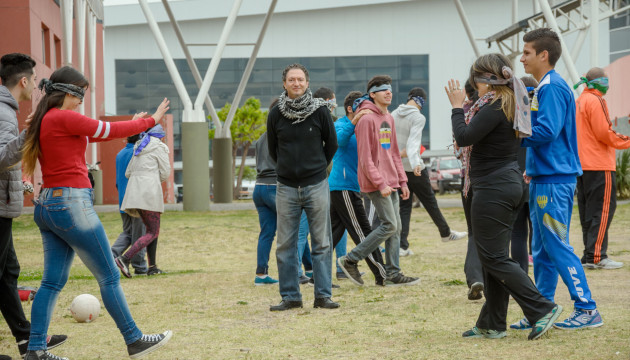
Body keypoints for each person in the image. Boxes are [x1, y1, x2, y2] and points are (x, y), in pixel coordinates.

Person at [21, 66, 172, 359]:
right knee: (109, 276)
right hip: (71, 203)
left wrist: (134, 123)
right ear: (69, 93)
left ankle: (36, 351)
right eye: (81, 95)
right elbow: (107, 131)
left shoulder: (44, 119)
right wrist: (150, 121)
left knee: (51, 282)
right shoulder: (64, 117)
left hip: (49, 205)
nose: (82, 102)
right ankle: (134, 340)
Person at [447, 53, 562, 341]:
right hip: (505, 183)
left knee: (495, 257)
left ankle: (542, 309)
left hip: (494, 187)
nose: (472, 84)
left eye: (475, 78)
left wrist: (455, 107)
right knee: (492, 257)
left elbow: (464, 136)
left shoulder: (495, 105)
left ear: (486, 80)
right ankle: (492, 322)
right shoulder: (506, 103)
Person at [516, 27, 601, 331]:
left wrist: (513, 134)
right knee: (542, 249)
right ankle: (543, 308)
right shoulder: (545, 86)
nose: (521, 58)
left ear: (543, 55)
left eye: (526, 53)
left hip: (554, 180)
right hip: (544, 178)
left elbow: (546, 132)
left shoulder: (551, 87)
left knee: (557, 245)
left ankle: (587, 308)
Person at [0, 53, 68, 360]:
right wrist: (32, 133)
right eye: (34, 80)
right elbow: (2, 157)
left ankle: (27, 340)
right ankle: (28, 340)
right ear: (24, 80)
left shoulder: (6, 109)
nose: (35, 89)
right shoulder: (3, 112)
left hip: (4, 203)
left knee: (8, 272)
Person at [267, 63, 339, 311]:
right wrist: (290, 170)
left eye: (300, 79)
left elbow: (331, 145)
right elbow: (273, 150)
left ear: (307, 83)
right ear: (284, 84)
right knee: (285, 245)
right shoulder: (276, 113)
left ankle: (323, 296)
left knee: (321, 243)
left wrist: (316, 167)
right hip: (286, 187)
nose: (296, 83)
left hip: (316, 184)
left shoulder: (320, 112)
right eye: (291, 80)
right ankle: (290, 297)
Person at [337, 75, 419, 287]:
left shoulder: (388, 118)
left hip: (392, 181)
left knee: (397, 227)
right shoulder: (365, 119)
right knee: (389, 225)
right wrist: (380, 183)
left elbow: (392, 153)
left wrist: (402, 181)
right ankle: (350, 259)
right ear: (372, 94)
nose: (388, 92)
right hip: (376, 183)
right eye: (383, 89)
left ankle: (393, 274)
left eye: (390, 89)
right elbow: (365, 159)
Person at [392, 87, 467, 257]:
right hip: (414, 168)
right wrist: (416, 161)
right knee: (430, 202)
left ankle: (402, 246)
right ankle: (446, 233)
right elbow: (413, 144)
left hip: (398, 169)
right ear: (422, 101)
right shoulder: (418, 117)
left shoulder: (394, 114)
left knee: (404, 206)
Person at [328, 90, 387, 286]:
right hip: (343, 186)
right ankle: (382, 275)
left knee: (331, 235)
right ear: (350, 108)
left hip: (352, 186)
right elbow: (338, 142)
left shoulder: (364, 126)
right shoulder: (341, 124)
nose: (365, 108)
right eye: (361, 105)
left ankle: (315, 275)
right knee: (364, 231)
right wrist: (353, 123)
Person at [575, 67, 630, 270]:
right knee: (603, 210)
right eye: (605, 81)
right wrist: (626, 140)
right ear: (598, 82)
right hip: (599, 163)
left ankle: (590, 253)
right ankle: (597, 256)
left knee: (589, 212)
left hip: (582, 165)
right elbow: (604, 133)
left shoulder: (580, 100)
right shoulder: (596, 100)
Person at [116, 124, 170, 278]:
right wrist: (151, 178)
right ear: (160, 136)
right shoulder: (160, 148)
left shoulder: (138, 147)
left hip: (134, 192)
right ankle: (124, 258)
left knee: (152, 230)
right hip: (149, 192)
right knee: (153, 231)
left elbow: (128, 173)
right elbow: (165, 173)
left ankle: (152, 267)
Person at [457, 80, 483, 301]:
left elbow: (458, 147)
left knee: (474, 232)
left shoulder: (463, 112)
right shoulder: (491, 108)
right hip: (489, 179)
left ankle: (475, 277)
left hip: (468, 181)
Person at [510, 76, 538, 273]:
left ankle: (521, 278)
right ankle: (542, 280)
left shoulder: (511, 116)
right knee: (538, 233)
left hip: (514, 180)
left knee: (517, 234)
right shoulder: (541, 117)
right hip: (537, 179)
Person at [111, 133, 148, 276]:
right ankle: (139, 266)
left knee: (128, 232)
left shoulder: (120, 154)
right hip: (137, 199)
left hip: (123, 199)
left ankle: (111, 256)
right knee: (140, 234)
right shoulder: (138, 153)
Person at [253, 98, 280, 285]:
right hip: (275, 186)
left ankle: (261, 274)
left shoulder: (261, 138)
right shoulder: (279, 136)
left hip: (259, 187)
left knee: (266, 233)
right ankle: (307, 270)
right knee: (296, 228)